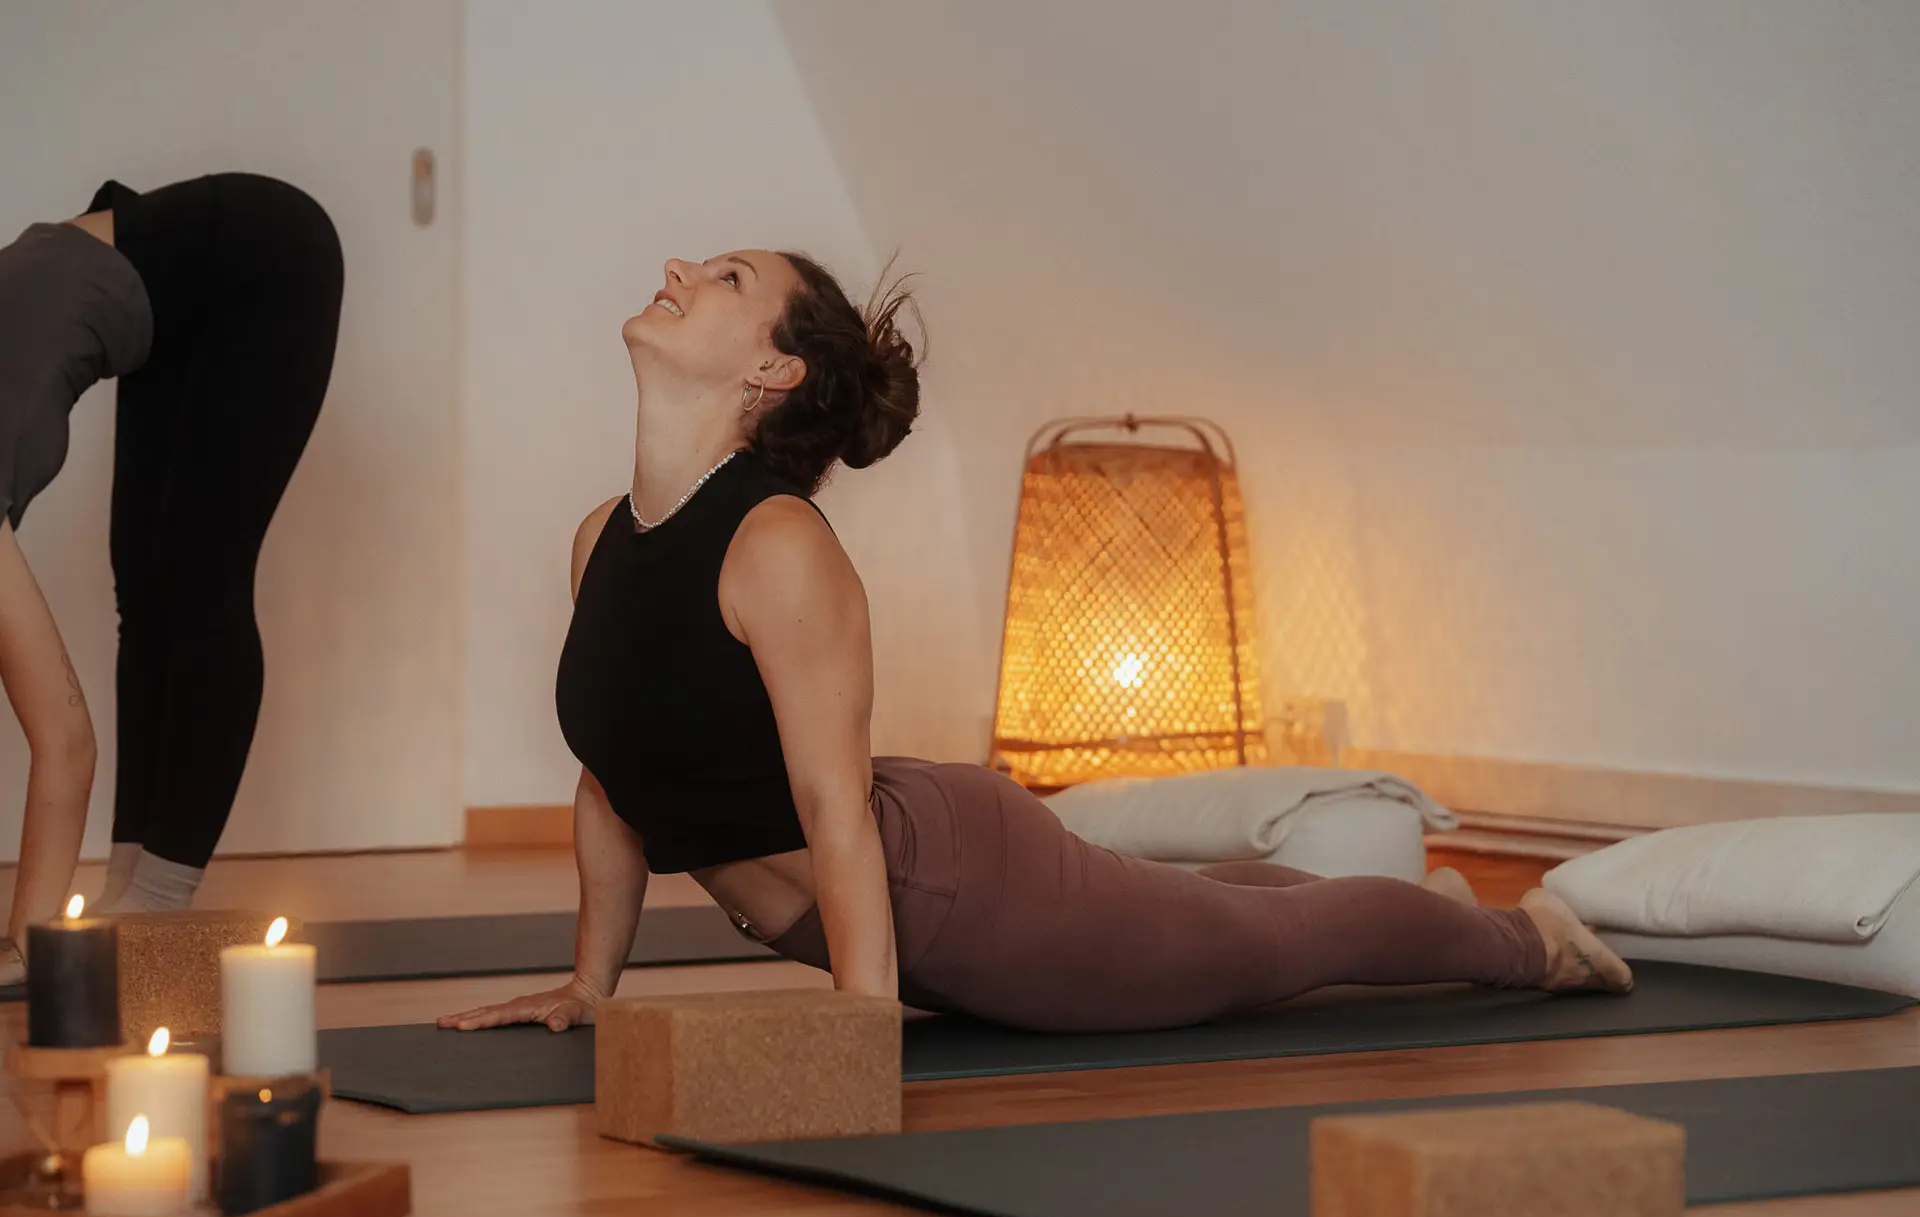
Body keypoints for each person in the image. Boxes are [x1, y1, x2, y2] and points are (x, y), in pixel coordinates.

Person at [440, 250, 1631, 1037]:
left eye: (724, 275)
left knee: (1272, 944)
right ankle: (1388, 894)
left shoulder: (776, 544)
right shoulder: (604, 536)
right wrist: (591, 987)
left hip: (965, 888)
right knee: (1213, 907)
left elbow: (832, 804)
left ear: (771, 367)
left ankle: (1525, 937)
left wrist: (860, 1032)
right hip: (909, 861)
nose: (678, 269)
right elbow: (613, 774)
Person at [0, 174, 343, 984]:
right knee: (145, 584)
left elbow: (65, 739)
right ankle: (129, 886)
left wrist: (26, 951)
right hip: (166, 282)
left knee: (200, 577)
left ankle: (153, 896)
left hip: (268, 262)